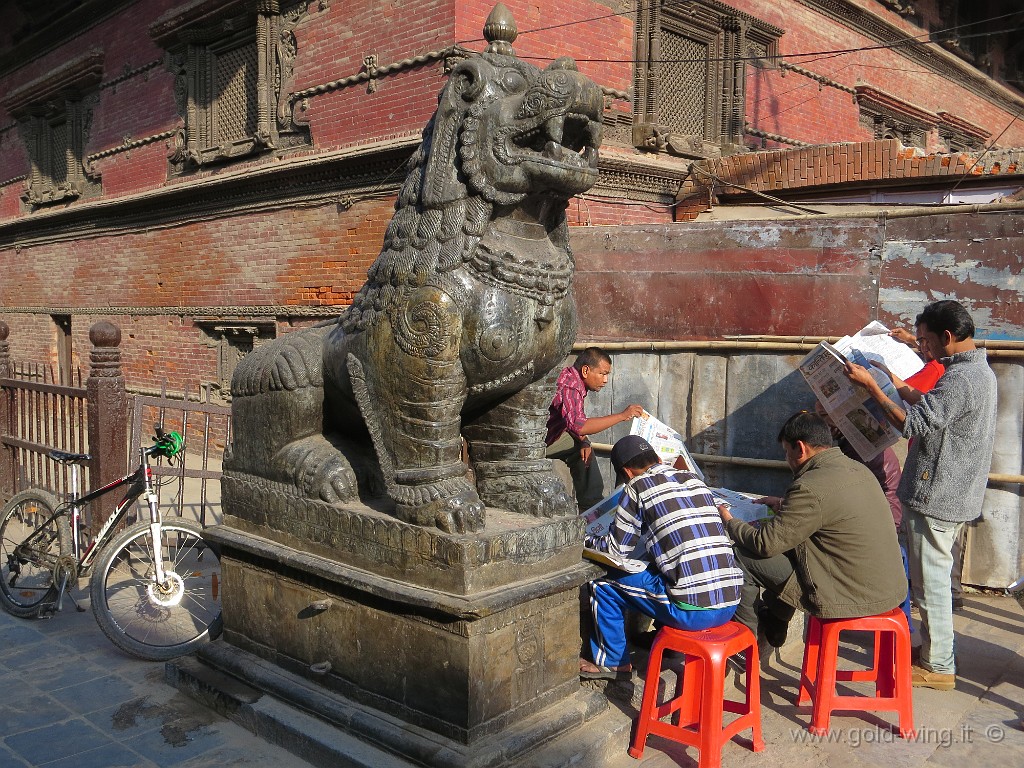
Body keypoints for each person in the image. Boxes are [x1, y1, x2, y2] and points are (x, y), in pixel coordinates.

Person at [846, 300, 997, 690]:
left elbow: (915, 424)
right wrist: (894, 384)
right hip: (951, 492)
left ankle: (939, 666)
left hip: (938, 494)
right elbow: (932, 408)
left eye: (927, 341)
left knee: (930, 585)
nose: (924, 348)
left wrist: (872, 391)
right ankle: (937, 650)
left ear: (948, 337)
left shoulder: (960, 380)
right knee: (933, 580)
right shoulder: (973, 372)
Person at [720, 412, 907, 656]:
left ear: (800, 448)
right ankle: (776, 619)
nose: (787, 460)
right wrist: (784, 503)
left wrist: (730, 522)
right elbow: (829, 509)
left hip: (849, 593)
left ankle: (746, 646)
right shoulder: (856, 469)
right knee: (796, 541)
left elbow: (764, 544)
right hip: (886, 589)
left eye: (786, 452)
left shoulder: (810, 485)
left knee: (740, 555)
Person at [579, 435, 743, 679]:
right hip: (730, 602)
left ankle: (613, 661)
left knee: (601, 585)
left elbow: (616, 551)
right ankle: (658, 637)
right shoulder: (694, 480)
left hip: (694, 611)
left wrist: (586, 540)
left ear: (626, 472)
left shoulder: (637, 487)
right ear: (657, 458)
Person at [814, 400, 910, 627]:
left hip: (883, 517)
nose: (823, 423)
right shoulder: (850, 442)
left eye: (824, 416)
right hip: (881, 513)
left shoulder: (859, 448)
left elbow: (839, 491)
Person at [546, 347, 643, 511]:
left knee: (583, 447)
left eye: (607, 375)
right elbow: (580, 425)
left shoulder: (572, 379)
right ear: (585, 370)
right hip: (531, 443)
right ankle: (592, 509)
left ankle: (592, 507)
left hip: (547, 435)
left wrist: (584, 441)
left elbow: (571, 422)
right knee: (578, 448)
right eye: (602, 373)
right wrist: (622, 416)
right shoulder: (570, 387)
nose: (605, 380)